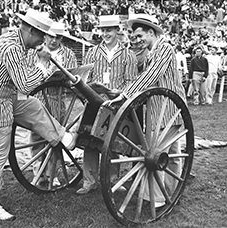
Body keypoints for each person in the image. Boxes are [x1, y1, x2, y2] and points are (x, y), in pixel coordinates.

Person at [0, 9, 77, 221]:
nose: (43, 40)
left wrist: (38, 62)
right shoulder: (11, 48)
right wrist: (44, 64)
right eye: (40, 35)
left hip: (5, 96)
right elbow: (26, 85)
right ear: (28, 30)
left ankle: (62, 136)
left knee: (33, 105)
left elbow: (24, 81)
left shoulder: (17, 41)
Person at [103, 14, 186, 208]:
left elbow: (151, 76)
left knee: (159, 153)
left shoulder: (164, 49)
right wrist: (122, 91)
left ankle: (157, 198)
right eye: (135, 36)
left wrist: (125, 95)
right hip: (159, 107)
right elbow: (144, 78)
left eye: (141, 35)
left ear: (151, 32)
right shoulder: (151, 52)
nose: (138, 39)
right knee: (172, 153)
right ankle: (171, 192)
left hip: (168, 108)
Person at [76, 15, 138, 195]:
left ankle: (111, 180)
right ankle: (89, 181)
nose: (105, 34)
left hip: (116, 104)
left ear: (117, 31)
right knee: (88, 140)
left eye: (109, 30)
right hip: (94, 102)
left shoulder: (128, 55)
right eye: (103, 30)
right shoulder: (92, 53)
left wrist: (119, 92)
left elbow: (132, 82)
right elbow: (85, 80)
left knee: (111, 142)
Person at [31, 21, 78, 186]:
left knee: (56, 139)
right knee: (37, 138)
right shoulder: (35, 52)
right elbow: (31, 76)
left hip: (58, 99)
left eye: (58, 37)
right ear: (45, 36)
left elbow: (73, 78)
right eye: (51, 36)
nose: (53, 41)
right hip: (38, 99)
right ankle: (38, 173)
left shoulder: (68, 55)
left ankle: (53, 174)